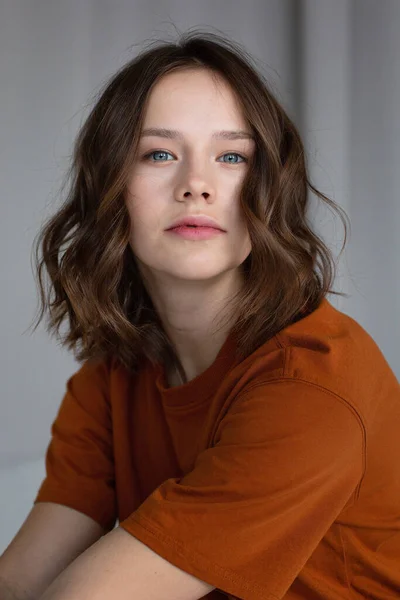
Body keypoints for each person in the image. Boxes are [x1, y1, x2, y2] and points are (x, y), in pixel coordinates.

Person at [1, 28, 399, 600]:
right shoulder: (114, 378)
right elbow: (19, 581)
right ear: (111, 185)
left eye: (231, 156)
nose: (196, 186)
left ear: (268, 188)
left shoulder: (312, 388)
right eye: (159, 154)